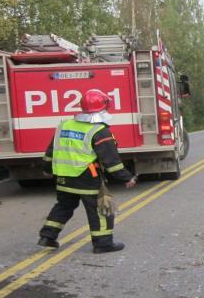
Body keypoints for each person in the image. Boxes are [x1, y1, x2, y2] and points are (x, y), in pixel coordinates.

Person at [38, 89, 137, 253]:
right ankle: (103, 243)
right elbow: (111, 161)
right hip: (87, 177)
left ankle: (47, 236)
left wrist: (47, 169)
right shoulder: (99, 131)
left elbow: (51, 151)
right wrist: (127, 178)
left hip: (64, 176)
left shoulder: (64, 125)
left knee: (63, 206)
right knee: (100, 209)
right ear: (104, 106)